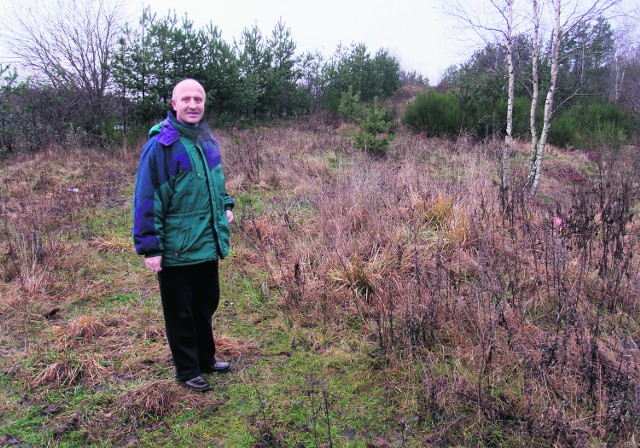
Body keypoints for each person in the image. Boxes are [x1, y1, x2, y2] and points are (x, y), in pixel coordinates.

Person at [132, 78, 234, 392]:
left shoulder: (206, 140)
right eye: (186, 99)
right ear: (174, 104)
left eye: (198, 99)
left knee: (206, 304)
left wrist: (226, 204)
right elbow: (147, 198)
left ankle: (205, 358)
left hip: (206, 243)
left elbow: (215, 183)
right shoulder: (162, 146)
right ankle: (187, 369)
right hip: (176, 249)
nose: (193, 105)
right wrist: (151, 247)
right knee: (180, 311)